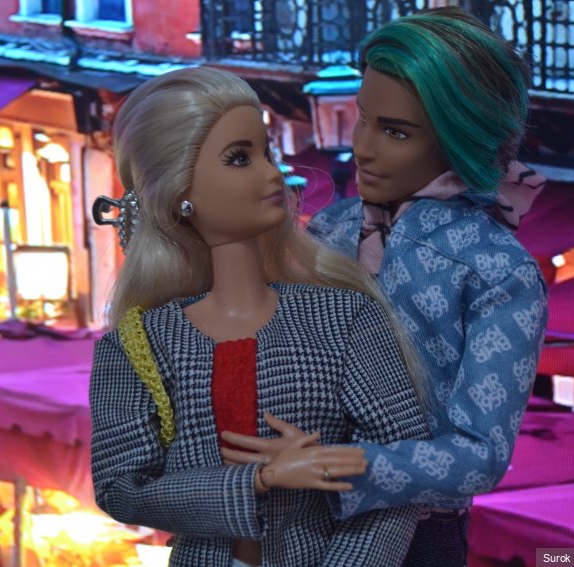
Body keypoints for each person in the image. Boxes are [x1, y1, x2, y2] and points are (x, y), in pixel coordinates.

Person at [220, 8, 549, 566]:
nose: (363, 148)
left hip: (415, 539)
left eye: (396, 132)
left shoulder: (497, 271)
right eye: (363, 118)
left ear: (458, 138)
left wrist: (334, 465)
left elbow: (480, 456)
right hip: (286, 521)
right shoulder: (331, 229)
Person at [89, 66, 431, 567]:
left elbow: (402, 471)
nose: (272, 174)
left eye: (267, 154)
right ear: (181, 193)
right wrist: (259, 480)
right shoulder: (137, 347)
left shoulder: (343, 318)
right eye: (239, 158)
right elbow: (122, 489)